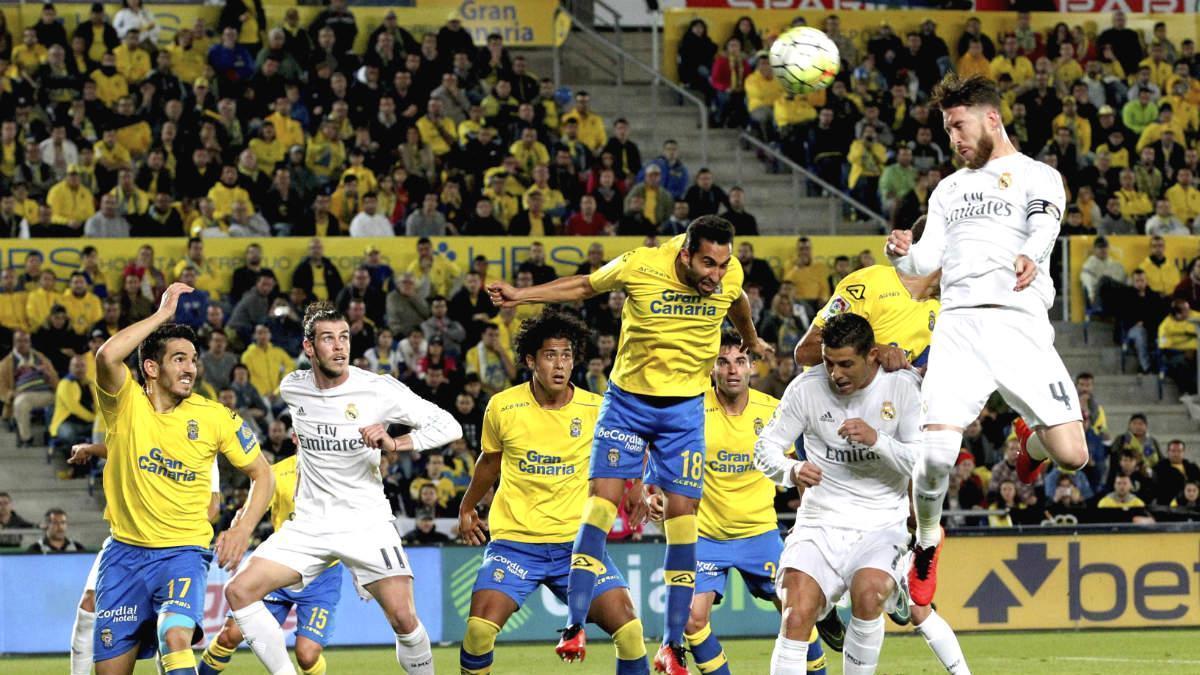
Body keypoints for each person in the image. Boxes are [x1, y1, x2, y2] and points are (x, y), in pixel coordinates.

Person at [486, 216, 767, 673]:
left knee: (682, 521)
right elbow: (583, 287)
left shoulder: (728, 275)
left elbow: (736, 301)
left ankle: (672, 646)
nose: (715, 275)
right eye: (707, 264)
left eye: (722, 264)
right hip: (629, 406)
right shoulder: (641, 265)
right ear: (685, 255)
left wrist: (751, 338)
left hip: (684, 414)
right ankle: (574, 626)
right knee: (602, 505)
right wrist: (522, 295)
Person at [885, 74, 1088, 608]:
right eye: (948, 129)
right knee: (933, 460)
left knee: (1073, 455)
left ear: (991, 118)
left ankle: (1030, 444)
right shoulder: (949, 189)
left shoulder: (1037, 175)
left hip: (1019, 327)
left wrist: (1031, 254)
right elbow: (925, 263)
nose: (953, 138)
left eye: (958, 126)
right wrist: (902, 252)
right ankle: (927, 542)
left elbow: (1045, 223)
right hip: (959, 327)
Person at [224, 302, 462, 675]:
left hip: (365, 522)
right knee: (238, 591)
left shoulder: (377, 389)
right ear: (309, 348)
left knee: (403, 618)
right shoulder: (293, 388)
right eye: (328, 339)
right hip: (309, 525)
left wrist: (395, 442)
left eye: (345, 338)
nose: (339, 347)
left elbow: (450, 426)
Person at [89, 281, 273, 675]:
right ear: (151, 368)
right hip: (123, 557)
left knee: (174, 636)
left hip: (183, 554)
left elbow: (263, 474)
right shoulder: (125, 404)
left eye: (193, 359)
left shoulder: (214, 416)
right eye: (179, 359)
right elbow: (107, 357)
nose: (191, 368)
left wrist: (242, 529)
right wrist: (161, 318)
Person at [457, 310, 650, 674]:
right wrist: (468, 507)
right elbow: (488, 462)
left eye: (566, 355)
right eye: (550, 355)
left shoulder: (596, 408)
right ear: (531, 360)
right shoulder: (503, 406)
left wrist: (637, 488)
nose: (560, 365)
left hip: (577, 548)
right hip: (515, 543)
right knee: (478, 631)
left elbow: (632, 446)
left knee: (630, 631)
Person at [645, 332, 828, 675]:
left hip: (760, 534)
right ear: (711, 368)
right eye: (723, 361)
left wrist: (809, 520)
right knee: (691, 621)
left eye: (740, 361)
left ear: (752, 368)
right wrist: (651, 494)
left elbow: (802, 467)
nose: (732, 370)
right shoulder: (692, 411)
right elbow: (657, 461)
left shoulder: (773, 411)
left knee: (798, 611)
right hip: (705, 538)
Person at [755, 313, 924, 675]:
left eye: (846, 364)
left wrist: (878, 440)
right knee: (796, 610)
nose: (836, 374)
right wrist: (791, 470)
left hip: (881, 522)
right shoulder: (806, 388)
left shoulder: (903, 387)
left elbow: (923, 462)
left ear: (873, 356)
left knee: (869, 593)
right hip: (820, 521)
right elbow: (765, 448)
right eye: (830, 363)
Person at [199, 451, 344, 675]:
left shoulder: (340, 474)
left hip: (322, 577)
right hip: (279, 570)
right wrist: (238, 527)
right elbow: (251, 508)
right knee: (230, 636)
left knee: (307, 655)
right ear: (295, 437)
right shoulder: (276, 473)